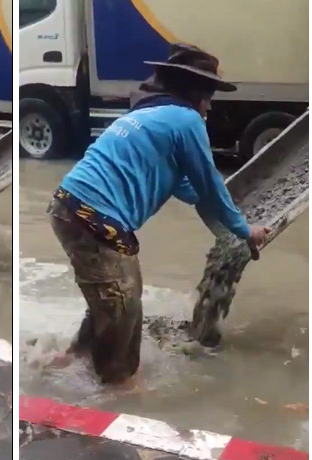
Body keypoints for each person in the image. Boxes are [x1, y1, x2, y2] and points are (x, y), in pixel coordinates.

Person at [49, 44, 269, 385]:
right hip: (94, 217)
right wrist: (245, 231)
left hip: (71, 206)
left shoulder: (149, 114)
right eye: (208, 96)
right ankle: (115, 390)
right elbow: (211, 186)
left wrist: (226, 231)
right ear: (195, 93)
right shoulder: (186, 119)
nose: (209, 105)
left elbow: (190, 188)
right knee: (124, 309)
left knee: (117, 296)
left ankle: (73, 356)